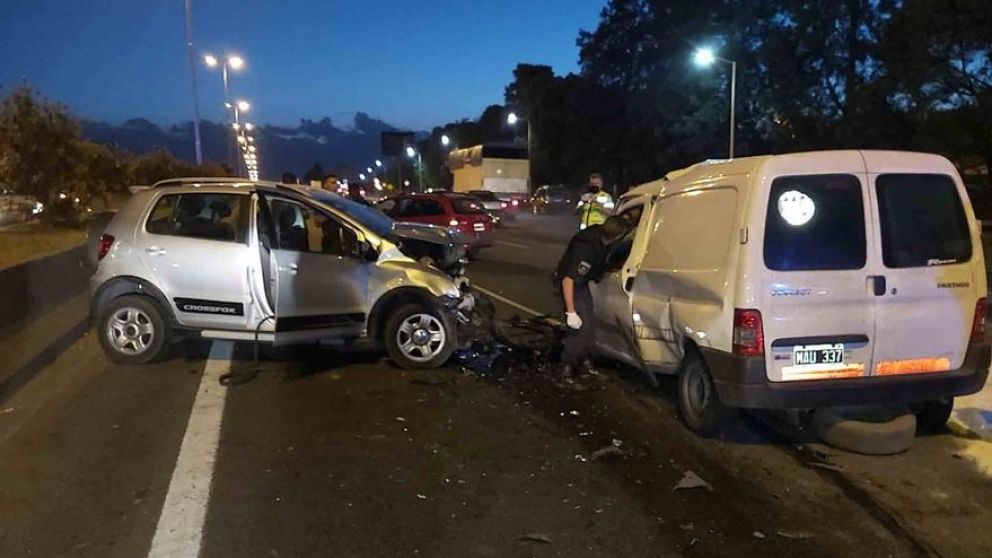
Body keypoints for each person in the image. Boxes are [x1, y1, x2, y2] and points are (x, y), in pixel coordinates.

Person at [555, 216, 628, 383]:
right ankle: (566, 370)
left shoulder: (600, 237)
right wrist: (571, 312)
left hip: (580, 284)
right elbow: (568, 280)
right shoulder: (585, 247)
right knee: (580, 328)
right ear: (617, 236)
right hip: (571, 285)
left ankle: (586, 365)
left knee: (590, 327)